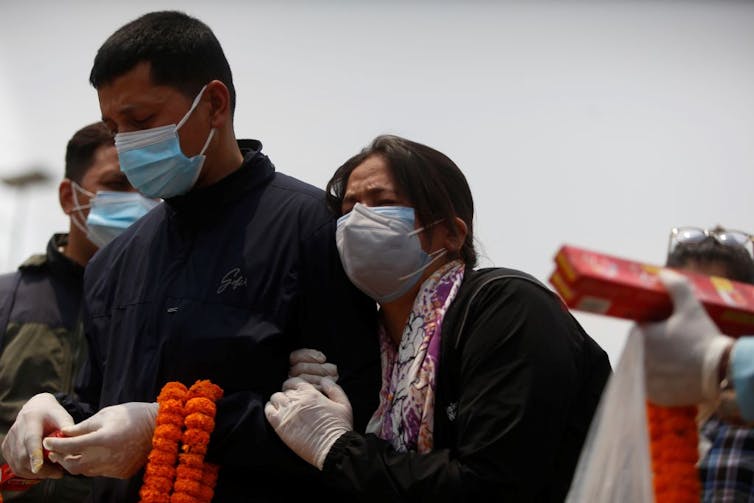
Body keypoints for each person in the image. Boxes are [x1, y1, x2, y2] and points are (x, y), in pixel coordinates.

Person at [1, 11, 379, 503]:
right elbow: (103, 401)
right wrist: (56, 416)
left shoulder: (311, 228)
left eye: (140, 122)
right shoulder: (115, 263)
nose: (126, 144)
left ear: (214, 104)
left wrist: (168, 429)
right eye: (114, 127)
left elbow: (347, 414)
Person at [265, 135, 612, 501]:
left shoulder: (507, 308)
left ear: (452, 233)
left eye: (383, 203)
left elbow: (492, 485)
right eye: (349, 209)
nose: (359, 222)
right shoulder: (371, 348)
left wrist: (336, 447)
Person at [0, 121, 153, 502]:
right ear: (70, 197)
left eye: (147, 188)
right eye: (117, 185)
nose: (137, 202)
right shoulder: (9, 298)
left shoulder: (165, 307)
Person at [644, 225, 754, 502]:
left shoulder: (746, 421)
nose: (697, 321)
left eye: (712, 303)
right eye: (685, 301)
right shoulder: (640, 414)